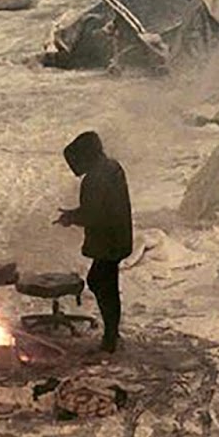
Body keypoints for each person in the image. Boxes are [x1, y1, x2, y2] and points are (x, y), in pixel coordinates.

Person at [54, 131, 132, 352]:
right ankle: (112, 333)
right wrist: (75, 214)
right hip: (118, 237)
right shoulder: (112, 167)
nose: (73, 169)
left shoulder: (94, 179)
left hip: (108, 241)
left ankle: (110, 337)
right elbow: (98, 207)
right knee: (107, 283)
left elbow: (93, 214)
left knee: (100, 282)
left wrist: (71, 218)